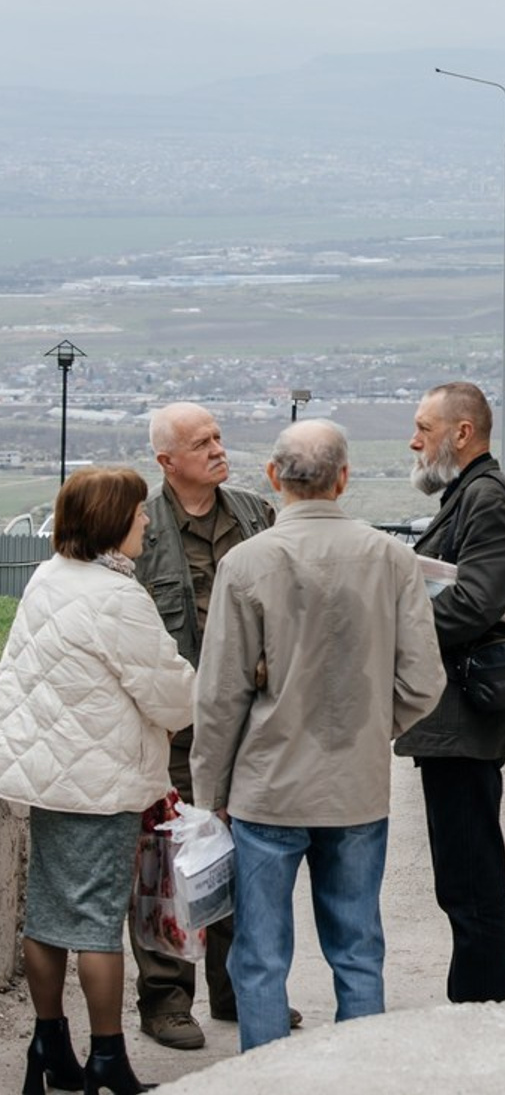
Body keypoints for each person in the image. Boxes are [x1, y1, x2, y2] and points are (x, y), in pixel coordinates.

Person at [191, 420, 445, 1052]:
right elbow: (423, 681)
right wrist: (372, 726)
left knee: (259, 956)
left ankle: (267, 1078)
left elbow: (220, 695)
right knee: (358, 950)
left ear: (274, 479)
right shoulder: (391, 557)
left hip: (266, 786)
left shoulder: (245, 563)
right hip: (355, 787)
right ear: (345, 478)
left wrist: (209, 791)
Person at [0, 467, 195, 1095]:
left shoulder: (47, 577)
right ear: (114, 521)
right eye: (138, 513)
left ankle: (48, 1046)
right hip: (101, 781)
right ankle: (107, 1057)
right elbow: (170, 693)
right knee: (94, 924)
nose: (146, 522)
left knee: (49, 916)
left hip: (50, 778)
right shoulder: (116, 596)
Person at [395, 382, 505, 1002]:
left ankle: (477, 1013)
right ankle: (476, 1006)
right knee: (464, 877)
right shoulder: (470, 494)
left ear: (461, 433)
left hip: (465, 720)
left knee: (470, 883)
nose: (414, 441)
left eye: (423, 428)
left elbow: (480, 601)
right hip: (457, 720)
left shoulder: (484, 497)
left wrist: (398, 621)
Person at [129, 402, 277, 1050]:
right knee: (168, 865)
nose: (219, 449)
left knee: (243, 860)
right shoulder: (141, 531)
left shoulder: (254, 515)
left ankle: (236, 990)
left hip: (248, 724)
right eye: (202, 442)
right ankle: (165, 999)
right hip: (173, 732)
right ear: (167, 461)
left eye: (219, 437)